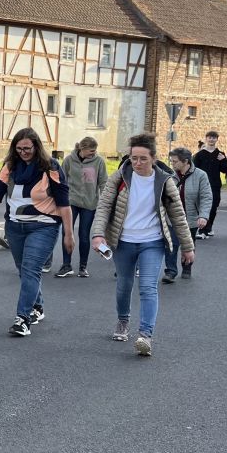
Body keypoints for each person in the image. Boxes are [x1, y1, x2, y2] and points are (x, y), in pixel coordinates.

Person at [91, 133, 195, 356]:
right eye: (133, 158)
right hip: (123, 241)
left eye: (143, 159)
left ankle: (145, 336)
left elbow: (178, 216)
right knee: (124, 285)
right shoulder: (120, 177)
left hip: (152, 242)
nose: (137, 163)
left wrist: (188, 247)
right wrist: (98, 235)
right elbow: (104, 207)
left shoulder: (164, 181)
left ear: (154, 158)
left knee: (148, 287)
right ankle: (123, 320)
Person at [0, 128, 73, 337]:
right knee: (24, 270)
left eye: (27, 148)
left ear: (36, 147)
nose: (23, 152)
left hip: (44, 226)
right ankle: (37, 306)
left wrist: (68, 233)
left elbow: (63, 202)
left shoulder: (50, 167)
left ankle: (22, 319)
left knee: (30, 269)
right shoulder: (10, 166)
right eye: (19, 149)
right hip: (15, 227)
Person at [56, 136, 107, 278]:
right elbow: (61, 179)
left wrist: (104, 201)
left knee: (84, 235)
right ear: (82, 149)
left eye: (95, 151)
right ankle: (66, 265)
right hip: (71, 202)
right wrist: (60, 198)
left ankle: (83, 267)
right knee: (67, 232)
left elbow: (103, 182)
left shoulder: (99, 162)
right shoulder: (69, 160)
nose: (93, 153)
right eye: (91, 151)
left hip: (90, 203)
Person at [164, 148, 211, 281]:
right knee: (171, 245)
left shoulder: (200, 175)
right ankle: (171, 272)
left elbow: (206, 197)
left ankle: (187, 267)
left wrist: (203, 215)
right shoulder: (169, 175)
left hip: (190, 218)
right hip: (172, 218)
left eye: (175, 161)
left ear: (185, 161)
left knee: (188, 245)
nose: (172, 163)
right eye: (171, 161)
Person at [192, 131, 227, 237]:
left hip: (215, 184)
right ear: (206, 139)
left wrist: (223, 160)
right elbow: (194, 170)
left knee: (213, 206)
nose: (211, 139)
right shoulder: (199, 155)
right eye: (209, 137)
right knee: (202, 206)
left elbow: (225, 170)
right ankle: (202, 230)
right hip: (201, 184)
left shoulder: (220, 154)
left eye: (214, 138)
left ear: (217, 139)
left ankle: (208, 228)